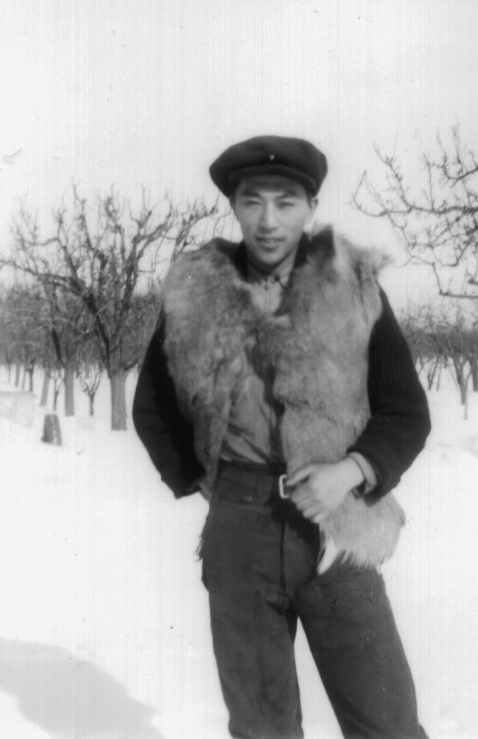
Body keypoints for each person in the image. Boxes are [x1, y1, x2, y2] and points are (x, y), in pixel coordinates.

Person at [133, 135, 431, 739]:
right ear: (235, 207)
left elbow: (406, 412)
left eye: (286, 202)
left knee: (387, 721)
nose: (269, 221)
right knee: (260, 725)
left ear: (311, 206)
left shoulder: (354, 288)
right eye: (253, 202)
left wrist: (349, 473)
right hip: (238, 529)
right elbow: (152, 407)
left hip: (337, 525)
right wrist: (212, 486)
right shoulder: (194, 294)